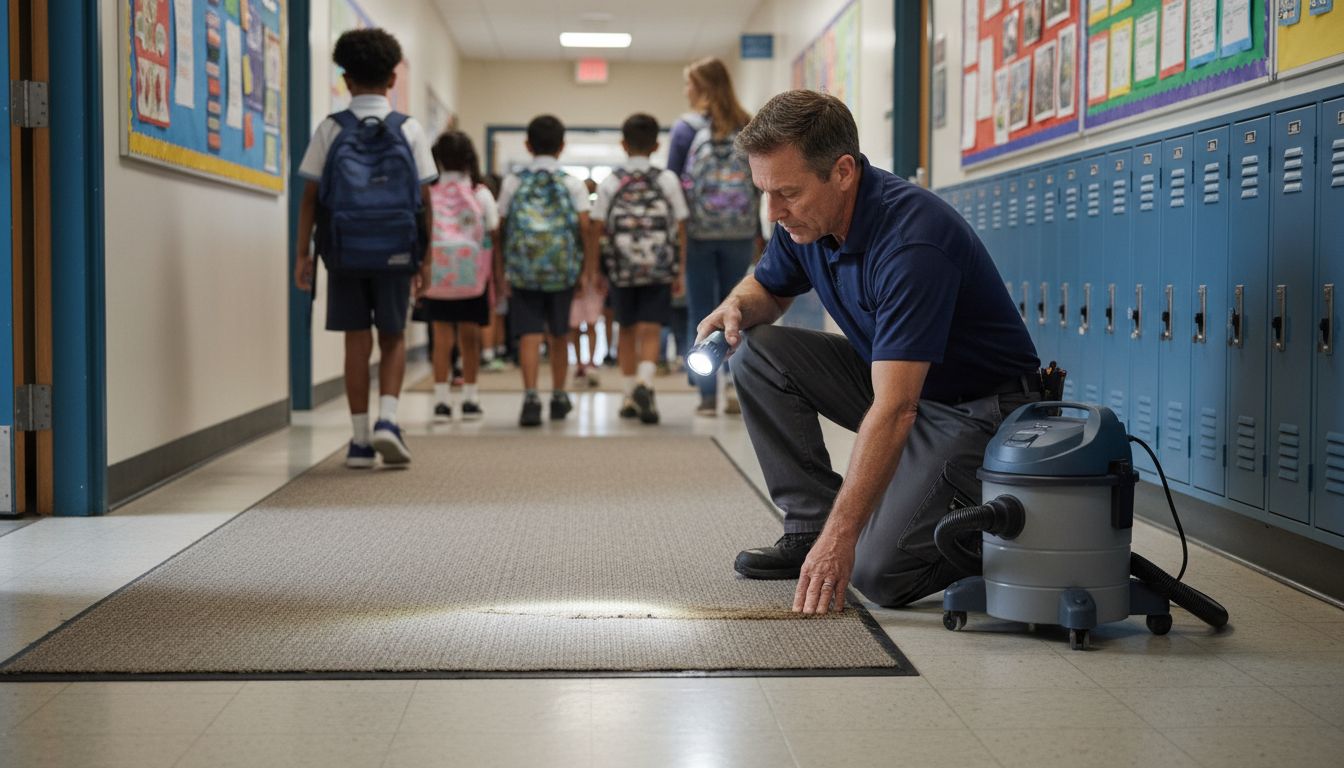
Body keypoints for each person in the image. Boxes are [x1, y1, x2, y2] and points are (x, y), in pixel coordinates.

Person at [696, 90, 1041, 614]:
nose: (774, 211)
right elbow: (769, 289)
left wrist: (846, 537)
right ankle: (808, 530)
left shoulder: (910, 243)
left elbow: (898, 409)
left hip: (978, 410)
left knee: (879, 573)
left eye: (786, 192)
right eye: (764, 192)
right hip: (907, 388)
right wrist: (735, 307)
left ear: (842, 172)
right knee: (756, 351)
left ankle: (1004, 530)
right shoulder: (803, 221)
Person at [293, 28, 437, 468]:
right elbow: (425, 199)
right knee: (393, 338)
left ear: (345, 79)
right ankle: (388, 422)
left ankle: (358, 442)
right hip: (396, 251)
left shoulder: (331, 128)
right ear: (393, 80)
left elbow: (311, 198)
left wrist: (303, 255)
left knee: (356, 341)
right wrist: (426, 258)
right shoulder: (408, 128)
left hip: (344, 251)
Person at [667, 56, 761, 417]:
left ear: (702, 86)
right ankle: (737, 390)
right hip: (739, 231)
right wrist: (757, 229)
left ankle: (707, 395)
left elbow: (672, 184)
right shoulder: (748, 122)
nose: (687, 90)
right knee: (742, 309)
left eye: (689, 83)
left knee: (702, 311)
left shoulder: (685, 129)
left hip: (698, 234)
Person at [497, 115, 598, 427]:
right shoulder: (571, 183)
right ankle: (557, 395)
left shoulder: (514, 182)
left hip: (524, 271)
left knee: (528, 334)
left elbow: (500, 228)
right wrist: (586, 271)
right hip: (562, 272)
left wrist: (503, 271)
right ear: (562, 146)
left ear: (528, 145)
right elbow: (585, 228)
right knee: (559, 334)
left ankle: (530, 396)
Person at [591, 113, 689, 424]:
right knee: (651, 328)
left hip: (621, 269)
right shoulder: (667, 180)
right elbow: (680, 225)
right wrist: (679, 267)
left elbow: (596, 227)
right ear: (656, 144)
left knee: (626, 329)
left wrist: (595, 269)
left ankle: (629, 396)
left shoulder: (611, 181)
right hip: (658, 268)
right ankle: (646, 383)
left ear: (623, 144)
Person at [421, 130, 500, 422]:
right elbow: (492, 228)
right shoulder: (480, 193)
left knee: (442, 338)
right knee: (470, 338)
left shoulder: (429, 191)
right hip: (471, 277)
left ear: (437, 159)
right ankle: (470, 398)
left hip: (438, 276)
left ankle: (441, 401)